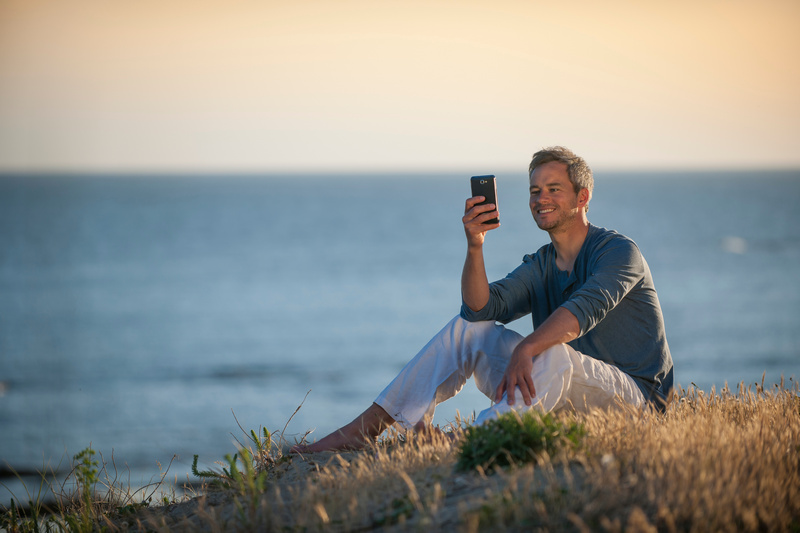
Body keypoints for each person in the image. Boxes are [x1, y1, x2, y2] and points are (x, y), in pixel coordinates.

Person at [291, 146, 673, 453]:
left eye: (554, 189)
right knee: (469, 331)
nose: (541, 198)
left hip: (636, 401)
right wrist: (476, 245)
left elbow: (583, 311)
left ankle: (474, 440)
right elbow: (479, 310)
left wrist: (526, 348)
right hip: (565, 394)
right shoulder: (542, 263)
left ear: (582, 196)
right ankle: (365, 428)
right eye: (535, 191)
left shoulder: (619, 252)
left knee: (550, 352)